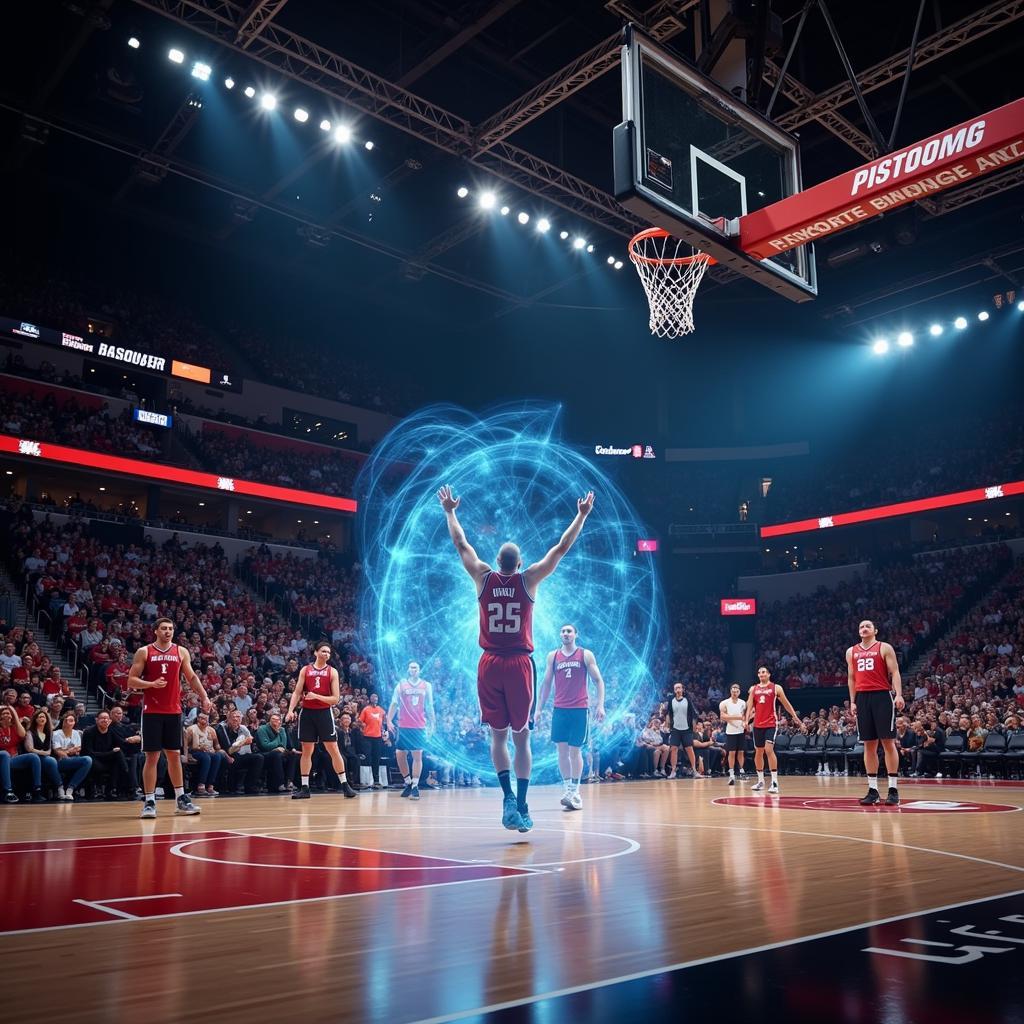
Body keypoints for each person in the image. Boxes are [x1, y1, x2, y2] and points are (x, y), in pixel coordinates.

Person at [438, 483, 594, 833]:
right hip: (519, 665)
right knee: (521, 738)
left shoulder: (482, 577)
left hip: (489, 663)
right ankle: (522, 804)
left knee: (498, 737)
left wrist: (450, 511)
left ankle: (507, 797)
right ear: (520, 563)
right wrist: (580, 515)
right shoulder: (529, 579)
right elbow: (561, 548)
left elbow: (461, 544)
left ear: (496, 562)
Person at [127, 616, 210, 819]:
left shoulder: (181, 651)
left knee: (174, 755)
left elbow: (191, 677)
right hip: (152, 712)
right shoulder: (144, 651)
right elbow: (131, 680)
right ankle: (149, 801)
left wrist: (204, 696)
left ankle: (181, 798)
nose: (167, 631)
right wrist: (151, 684)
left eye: (170, 629)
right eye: (163, 628)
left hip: (174, 711)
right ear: (155, 631)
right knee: (152, 757)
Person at [536, 624, 606, 811]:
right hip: (560, 709)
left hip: (579, 709)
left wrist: (600, 704)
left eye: (569, 631)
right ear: (560, 635)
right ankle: (567, 789)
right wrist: (538, 709)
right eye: (563, 631)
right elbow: (546, 683)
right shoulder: (553, 656)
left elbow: (598, 680)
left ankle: (576, 792)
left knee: (575, 752)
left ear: (576, 634)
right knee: (561, 752)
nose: (566, 633)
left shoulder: (585, 654)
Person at [284, 641, 357, 799]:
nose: (326, 654)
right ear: (316, 653)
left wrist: (316, 695)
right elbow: (297, 692)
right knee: (306, 750)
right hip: (307, 713)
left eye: (328, 652)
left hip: (324, 712)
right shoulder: (306, 669)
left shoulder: (332, 672)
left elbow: (335, 699)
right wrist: (290, 710)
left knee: (333, 749)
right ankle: (305, 787)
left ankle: (345, 785)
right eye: (323, 651)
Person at [846, 619, 904, 806]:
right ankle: (873, 791)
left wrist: (899, 695)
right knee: (868, 746)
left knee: (888, 743)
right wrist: (853, 701)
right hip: (862, 698)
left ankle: (893, 790)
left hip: (882, 696)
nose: (863, 628)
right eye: (861, 626)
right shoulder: (851, 651)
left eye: (867, 626)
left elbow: (895, 672)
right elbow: (851, 678)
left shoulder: (884, 647)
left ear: (875, 630)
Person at [743, 666, 800, 794]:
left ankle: (774, 782)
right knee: (758, 752)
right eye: (759, 672)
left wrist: (795, 717)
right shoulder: (754, 689)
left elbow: (786, 703)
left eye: (763, 672)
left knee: (769, 750)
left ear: (769, 674)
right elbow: (750, 706)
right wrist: (746, 721)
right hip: (757, 724)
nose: (761, 674)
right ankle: (760, 781)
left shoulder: (776, 688)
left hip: (770, 723)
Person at [387, 661, 436, 801]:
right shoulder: (401, 685)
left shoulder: (426, 685)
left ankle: (415, 785)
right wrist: (389, 720)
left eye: (415, 667)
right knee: (399, 754)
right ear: (408, 670)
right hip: (403, 724)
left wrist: (433, 723)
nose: (413, 669)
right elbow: (394, 703)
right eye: (411, 667)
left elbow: (429, 705)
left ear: (419, 670)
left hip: (419, 725)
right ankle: (407, 782)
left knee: (417, 755)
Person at [0, 704, 45, 801]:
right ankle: (8, 791)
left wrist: (15, 715)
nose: (7, 715)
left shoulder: (14, 728)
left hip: (13, 759)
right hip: (1, 758)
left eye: (9, 713)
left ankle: (37, 790)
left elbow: (23, 734)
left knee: (33, 756)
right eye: (4, 713)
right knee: (4, 754)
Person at [215, 709, 265, 795]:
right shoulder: (222, 727)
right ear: (228, 718)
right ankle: (230, 787)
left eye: (238, 717)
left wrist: (246, 742)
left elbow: (251, 740)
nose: (235, 719)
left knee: (258, 757)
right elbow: (230, 750)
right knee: (233, 758)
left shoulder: (243, 728)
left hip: (240, 755)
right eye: (233, 717)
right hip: (226, 756)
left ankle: (250, 787)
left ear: (241, 719)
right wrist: (243, 742)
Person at [23, 708, 64, 798]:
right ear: (35, 719)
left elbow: (49, 751)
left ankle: (58, 788)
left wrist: (43, 753)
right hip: (32, 758)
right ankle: (59, 786)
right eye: (39, 717)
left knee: (51, 760)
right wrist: (43, 752)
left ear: (46, 720)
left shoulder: (49, 733)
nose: (42, 718)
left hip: (44, 758)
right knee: (51, 761)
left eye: (44, 717)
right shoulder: (30, 732)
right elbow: (29, 749)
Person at [52, 711, 93, 800]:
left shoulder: (76, 733)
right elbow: (58, 752)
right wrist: (70, 751)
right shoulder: (56, 733)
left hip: (74, 758)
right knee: (86, 759)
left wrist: (67, 751)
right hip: (60, 761)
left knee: (88, 760)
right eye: (67, 720)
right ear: (63, 721)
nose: (69, 722)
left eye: (72, 720)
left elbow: (78, 749)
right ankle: (62, 788)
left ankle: (71, 788)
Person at [185, 712, 227, 796]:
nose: (206, 720)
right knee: (206, 758)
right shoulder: (191, 729)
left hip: (209, 751)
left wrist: (218, 750)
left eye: (207, 719)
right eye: (203, 718)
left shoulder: (211, 730)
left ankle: (210, 785)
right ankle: (201, 785)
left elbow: (217, 745)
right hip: (195, 751)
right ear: (198, 719)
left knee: (217, 756)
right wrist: (186, 756)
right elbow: (185, 745)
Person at [666, 682, 697, 778]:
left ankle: (694, 770)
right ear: (674, 690)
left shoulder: (687, 699)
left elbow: (693, 714)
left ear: (683, 689)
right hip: (675, 729)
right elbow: (668, 713)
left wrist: (694, 727)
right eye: (676, 688)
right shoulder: (671, 700)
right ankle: (673, 771)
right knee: (673, 749)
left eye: (679, 687)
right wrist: (668, 725)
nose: (678, 689)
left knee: (689, 749)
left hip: (687, 729)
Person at [718, 682, 747, 786]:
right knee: (732, 753)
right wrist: (738, 717)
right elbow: (723, 716)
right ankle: (731, 774)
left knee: (741, 752)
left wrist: (744, 722)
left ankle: (742, 772)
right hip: (730, 731)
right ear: (730, 691)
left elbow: (745, 716)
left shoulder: (743, 703)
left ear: (739, 692)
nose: (734, 693)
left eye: (736, 691)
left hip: (741, 731)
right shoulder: (724, 703)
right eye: (733, 691)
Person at [358, 692, 389, 789]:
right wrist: (363, 728)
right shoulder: (366, 709)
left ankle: (376, 781)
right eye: (373, 697)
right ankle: (365, 781)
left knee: (376, 759)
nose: (375, 699)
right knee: (367, 758)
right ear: (370, 699)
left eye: (376, 697)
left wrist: (384, 732)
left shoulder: (381, 710)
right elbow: (359, 721)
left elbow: (384, 722)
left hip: (378, 738)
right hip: (367, 737)